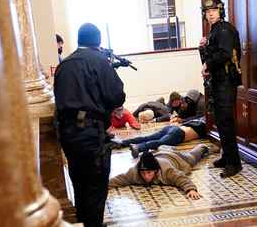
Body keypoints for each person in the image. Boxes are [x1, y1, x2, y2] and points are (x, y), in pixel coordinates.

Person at [54, 22, 125, 227]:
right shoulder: (99, 61)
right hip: (91, 133)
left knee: (79, 181)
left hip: (67, 133)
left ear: (78, 40)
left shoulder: (64, 65)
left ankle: (85, 222)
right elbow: (116, 96)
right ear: (98, 40)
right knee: (96, 185)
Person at [199, 0, 242, 178]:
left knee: (226, 121)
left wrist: (208, 63)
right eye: (208, 12)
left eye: (214, 11)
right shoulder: (214, 30)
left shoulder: (224, 29)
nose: (210, 14)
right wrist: (202, 48)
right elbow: (210, 56)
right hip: (218, 81)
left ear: (220, 11)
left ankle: (234, 163)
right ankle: (227, 157)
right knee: (221, 121)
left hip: (226, 81)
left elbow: (224, 54)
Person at [109, 144, 209, 199]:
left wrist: (191, 189)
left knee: (193, 156)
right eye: (143, 173)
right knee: (164, 148)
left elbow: (181, 178)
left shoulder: (167, 170)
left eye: (149, 173)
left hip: (178, 159)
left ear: (156, 171)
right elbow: (120, 179)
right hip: (160, 154)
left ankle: (202, 147)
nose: (146, 176)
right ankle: (165, 147)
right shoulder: (135, 172)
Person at [118, 116, 207, 158]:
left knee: (148, 137)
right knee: (161, 142)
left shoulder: (197, 120)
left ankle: (123, 143)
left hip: (172, 128)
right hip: (179, 133)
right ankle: (138, 147)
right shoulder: (207, 125)